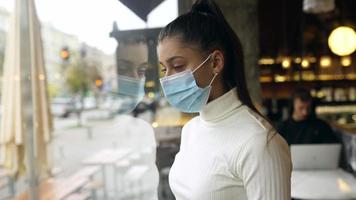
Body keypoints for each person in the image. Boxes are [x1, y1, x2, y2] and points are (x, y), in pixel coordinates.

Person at [157, 0, 292, 199]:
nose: (168, 78)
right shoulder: (191, 130)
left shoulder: (259, 143)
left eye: (177, 66)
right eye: (163, 69)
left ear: (216, 62)